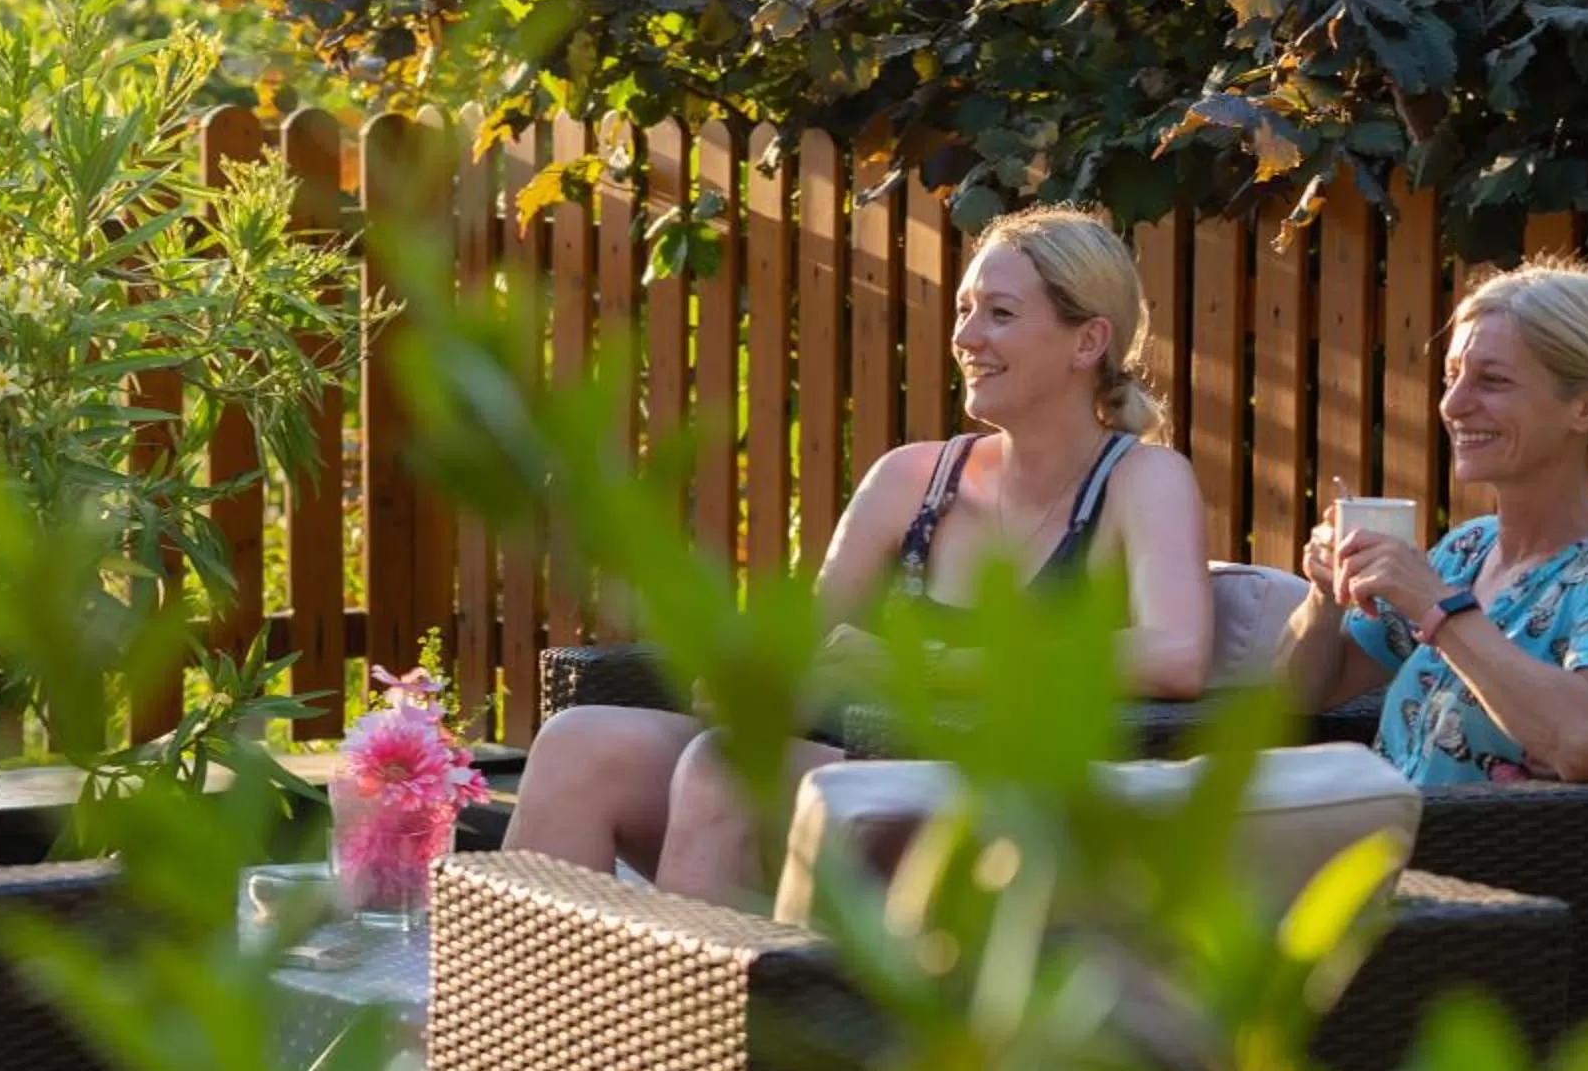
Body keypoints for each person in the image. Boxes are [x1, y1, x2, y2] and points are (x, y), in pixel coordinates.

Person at [503, 204, 1211, 904]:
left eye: (1000, 314)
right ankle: (544, 983)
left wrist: (930, 666)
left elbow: (1175, 654)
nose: (966, 336)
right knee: (577, 744)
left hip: (987, 814)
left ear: (1087, 342)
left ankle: (697, 983)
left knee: (724, 769)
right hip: (859, 770)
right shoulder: (914, 478)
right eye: (965, 310)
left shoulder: (1140, 479)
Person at [1280, 259, 1588, 784]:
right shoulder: (1466, 551)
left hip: (1469, 841)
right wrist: (1324, 596)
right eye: (1452, 377)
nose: (1452, 404)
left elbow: (1587, 741)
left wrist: (1438, 608)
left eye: (1492, 381)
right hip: (1378, 830)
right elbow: (1291, 699)